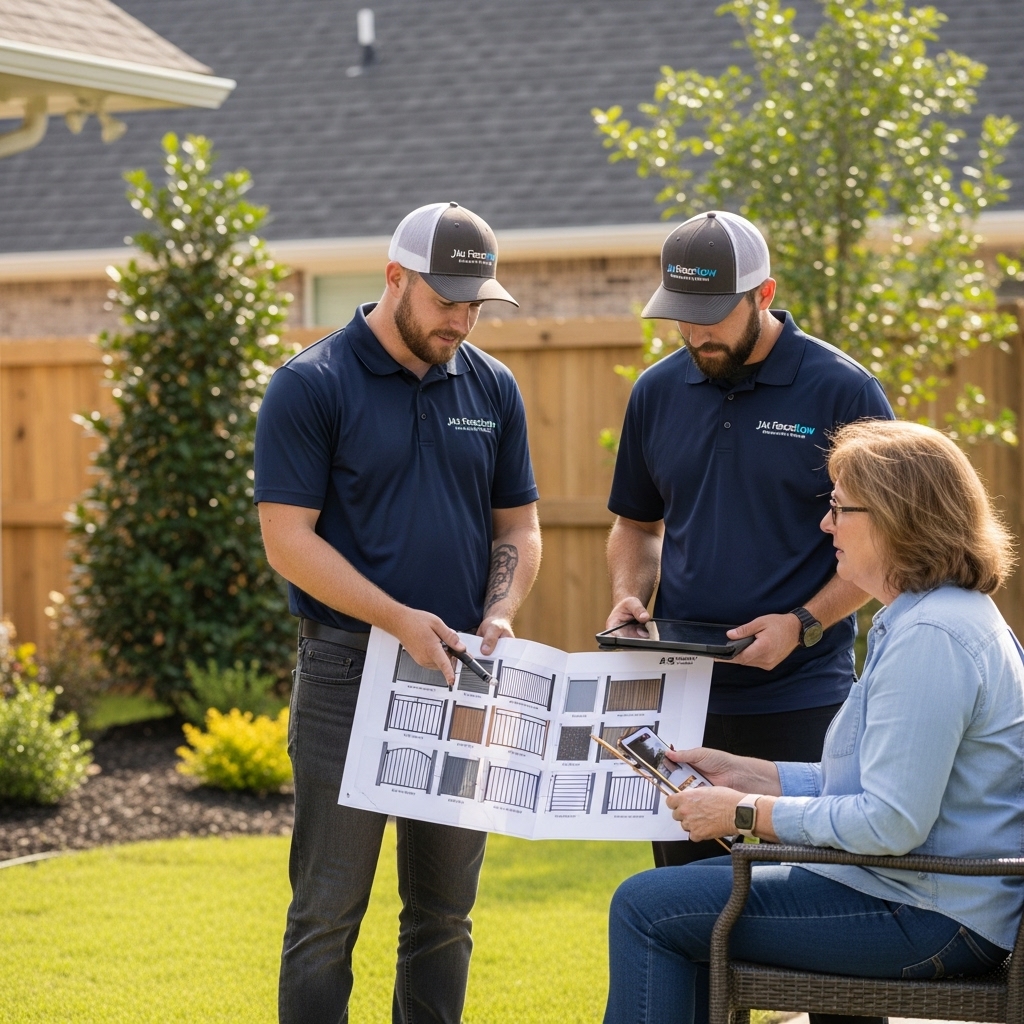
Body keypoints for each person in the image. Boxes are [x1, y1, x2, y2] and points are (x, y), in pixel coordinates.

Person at [603, 419, 1024, 1024]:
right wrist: (749, 775)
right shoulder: (929, 618)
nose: (825, 524)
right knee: (670, 904)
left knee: (648, 908)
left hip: (930, 916)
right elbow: (878, 783)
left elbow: (890, 823)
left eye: (838, 508)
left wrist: (743, 814)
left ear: (894, 517)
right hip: (915, 893)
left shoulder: (933, 637)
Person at [254, 201, 542, 1024]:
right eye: (446, 300)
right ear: (394, 279)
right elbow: (288, 541)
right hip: (347, 672)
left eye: (475, 303)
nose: (462, 318)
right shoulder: (311, 385)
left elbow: (518, 526)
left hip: (461, 676)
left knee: (444, 916)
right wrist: (396, 619)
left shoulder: (493, 385)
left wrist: (501, 608)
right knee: (326, 916)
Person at [605, 210, 894, 873]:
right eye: (682, 313)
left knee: (803, 898)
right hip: (682, 699)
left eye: (713, 313)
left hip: (802, 702)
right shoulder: (655, 392)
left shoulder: (842, 391)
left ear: (763, 295)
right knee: (682, 900)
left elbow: (889, 543)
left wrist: (803, 623)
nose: (695, 331)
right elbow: (636, 525)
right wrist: (628, 595)